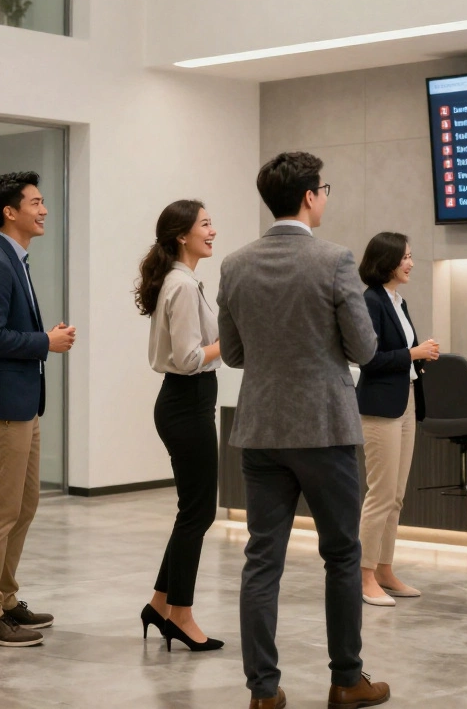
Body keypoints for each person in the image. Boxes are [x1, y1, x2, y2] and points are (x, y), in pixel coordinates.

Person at [218, 151, 390, 709]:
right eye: (326, 189)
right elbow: (365, 347)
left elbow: (236, 353)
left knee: (261, 559)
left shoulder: (235, 263)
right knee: (341, 555)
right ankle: (346, 680)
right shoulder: (335, 260)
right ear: (311, 195)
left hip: (261, 430)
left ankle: (263, 693)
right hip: (325, 429)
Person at [0, 171, 75, 647]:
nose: (44, 209)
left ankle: (6, 600)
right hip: (4, 405)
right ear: (11, 212)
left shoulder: (15, 260)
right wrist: (44, 342)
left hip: (23, 404)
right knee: (0, 510)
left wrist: (39, 339)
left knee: (23, 505)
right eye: (35, 202)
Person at [135, 199, 224, 652]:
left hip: (185, 402)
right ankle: (182, 615)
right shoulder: (184, 285)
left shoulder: (181, 280)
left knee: (192, 510)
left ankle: (159, 603)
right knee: (198, 513)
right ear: (181, 236)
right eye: (204, 225)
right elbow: (190, 358)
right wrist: (226, 343)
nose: (212, 231)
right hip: (187, 401)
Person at [355, 232, 437, 608]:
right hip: (380, 406)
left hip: (405, 401)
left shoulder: (398, 301)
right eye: (405, 256)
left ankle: (385, 570)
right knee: (381, 494)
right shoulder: (370, 301)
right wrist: (414, 352)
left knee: (397, 496)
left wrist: (418, 356)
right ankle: (364, 574)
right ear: (386, 260)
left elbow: (399, 354)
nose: (411, 263)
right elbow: (368, 359)